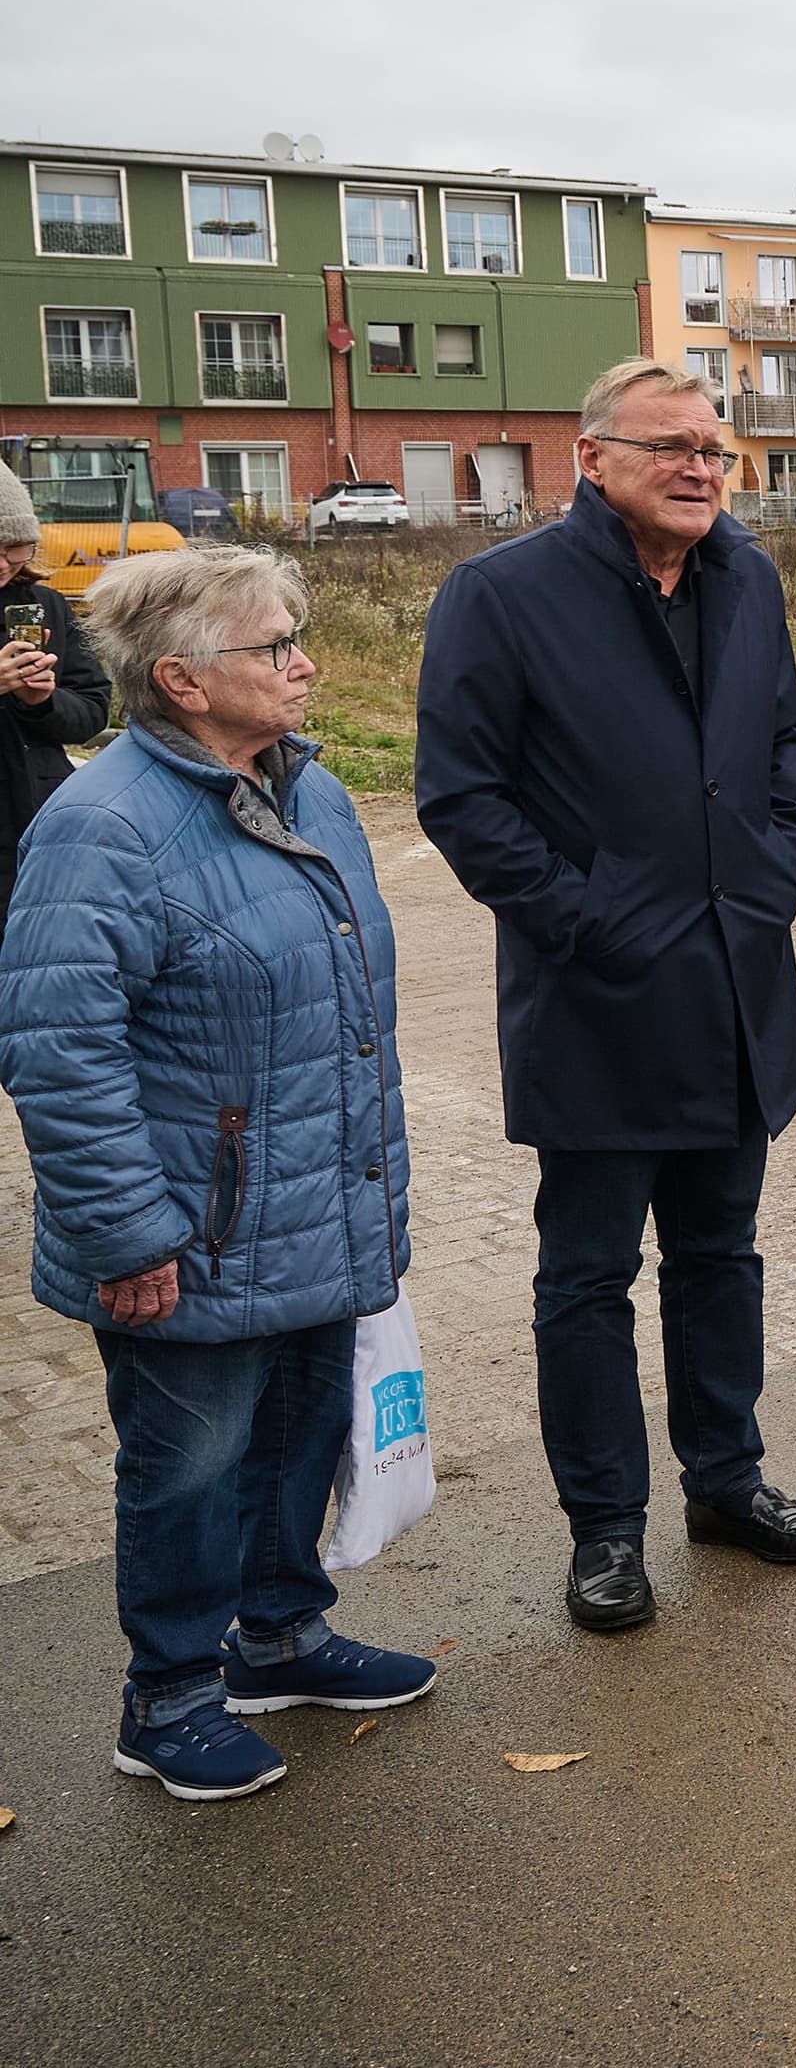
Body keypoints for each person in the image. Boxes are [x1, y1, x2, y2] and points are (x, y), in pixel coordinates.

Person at [417, 359, 796, 1630]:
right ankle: (605, 1528)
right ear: (589, 458)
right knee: (588, 1275)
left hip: (735, 986)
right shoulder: (501, 597)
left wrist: (785, 860)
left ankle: (728, 1480)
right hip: (597, 999)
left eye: (712, 449)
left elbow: (780, 738)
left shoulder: (748, 576)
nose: (699, 469)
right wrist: (589, 917)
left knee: (722, 1252)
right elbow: (461, 798)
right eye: (669, 447)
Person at [2, 548, 434, 1800]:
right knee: (187, 1470)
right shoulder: (99, 829)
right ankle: (170, 1700)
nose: (304, 664)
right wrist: (129, 1237)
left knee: (297, 1435)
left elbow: (353, 1014)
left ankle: (281, 1638)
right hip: (187, 1233)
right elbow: (55, 1051)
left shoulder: (316, 791)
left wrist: (372, 1186)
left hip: (314, 1206)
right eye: (276, 647)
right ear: (183, 680)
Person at [0, 461, 115, 943]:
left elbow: (91, 711)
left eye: (14, 548)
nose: (4, 564)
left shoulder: (46, 605)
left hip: (37, 817)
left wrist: (39, 701)